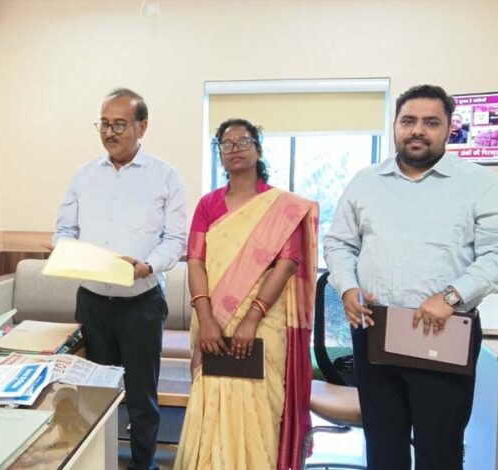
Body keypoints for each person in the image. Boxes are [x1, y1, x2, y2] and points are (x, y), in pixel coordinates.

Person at [324, 85, 498, 469]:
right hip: (376, 330)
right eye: (408, 121)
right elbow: (339, 244)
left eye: (431, 122)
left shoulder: (478, 184)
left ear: (449, 128)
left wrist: (451, 297)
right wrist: (347, 287)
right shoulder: (365, 182)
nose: (417, 130)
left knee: (439, 450)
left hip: (442, 333)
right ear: (395, 126)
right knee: (383, 447)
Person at [52, 88, 187, 470]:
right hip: (93, 303)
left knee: (142, 397)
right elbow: (64, 230)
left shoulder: (165, 176)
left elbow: (175, 240)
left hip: (141, 304)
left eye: (120, 125)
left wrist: (147, 265)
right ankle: (100, 462)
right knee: (95, 393)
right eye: (104, 124)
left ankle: (144, 464)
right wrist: (67, 251)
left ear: (142, 127)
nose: (110, 133)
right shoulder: (84, 175)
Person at [175, 118, 319, 470]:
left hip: (264, 321)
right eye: (226, 144)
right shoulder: (208, 205)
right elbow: (195, 261)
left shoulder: (282, 207)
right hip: (213, 319)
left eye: (243, 142)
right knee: (212, 405)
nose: (235, 149)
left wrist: (252, 317)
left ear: (258, 148)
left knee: (258, 408)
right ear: (219, 154)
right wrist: (206, 319)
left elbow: (287, 264)